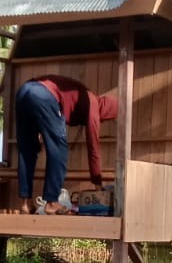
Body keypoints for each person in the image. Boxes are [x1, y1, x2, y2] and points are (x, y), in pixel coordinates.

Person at [14, 75, 118, 215]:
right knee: (59, 148)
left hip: (24, 92)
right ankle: (52, 202)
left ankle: (26, 204)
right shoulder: (93, 104)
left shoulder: (85, 96)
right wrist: (98, 184)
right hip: (44, 96)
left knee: (27, 149)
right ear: (107, 111)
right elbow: (93, 147)